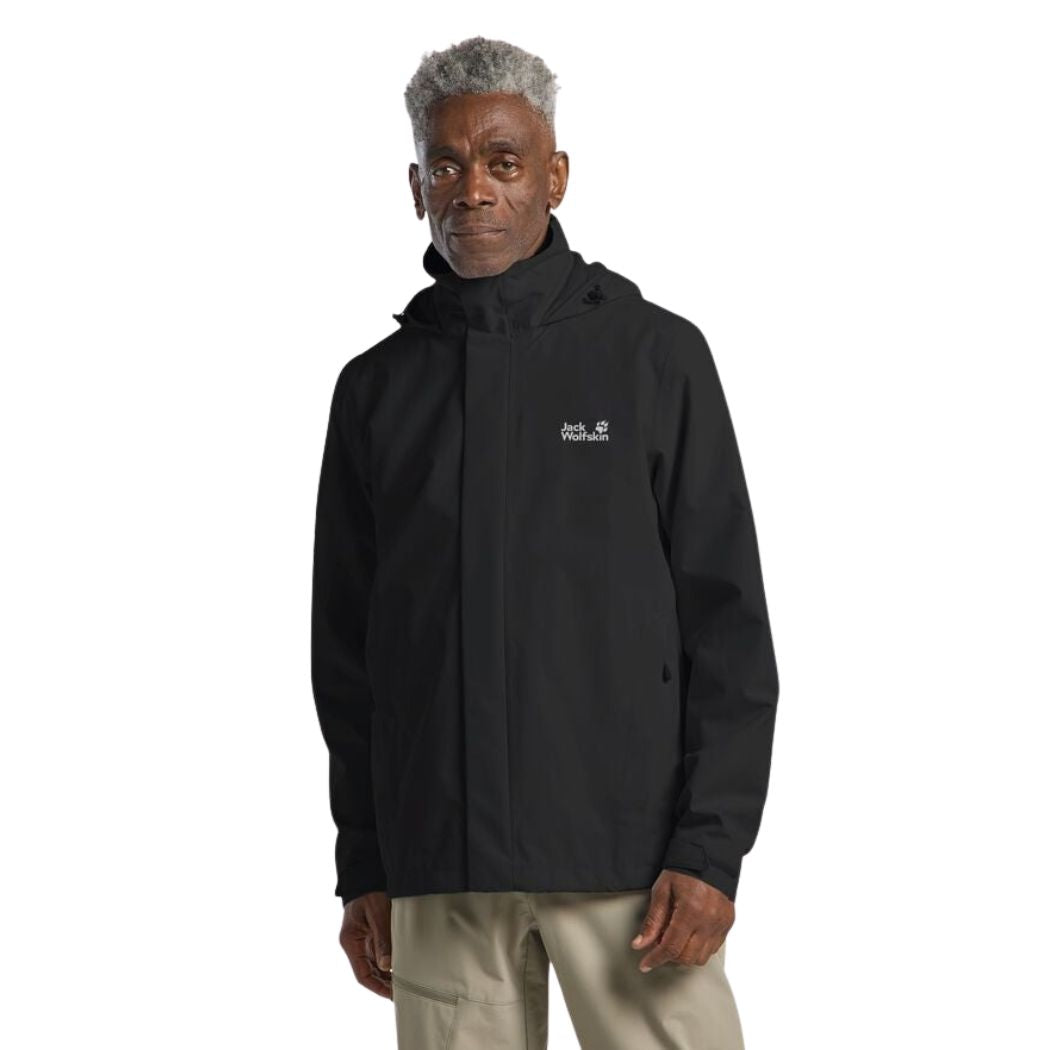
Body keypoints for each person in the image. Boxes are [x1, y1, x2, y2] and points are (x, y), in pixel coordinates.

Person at [311, 35, 780, 1050]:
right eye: (445, 166)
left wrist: (710, 852)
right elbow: (348, 659)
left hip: (633, 870)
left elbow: (729, 629)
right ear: (415, 188)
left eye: (503, 162)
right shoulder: (376, 391)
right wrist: (367, 864)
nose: (473, 190)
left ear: (555, 176)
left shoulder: (653, 358)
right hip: (441, 868)